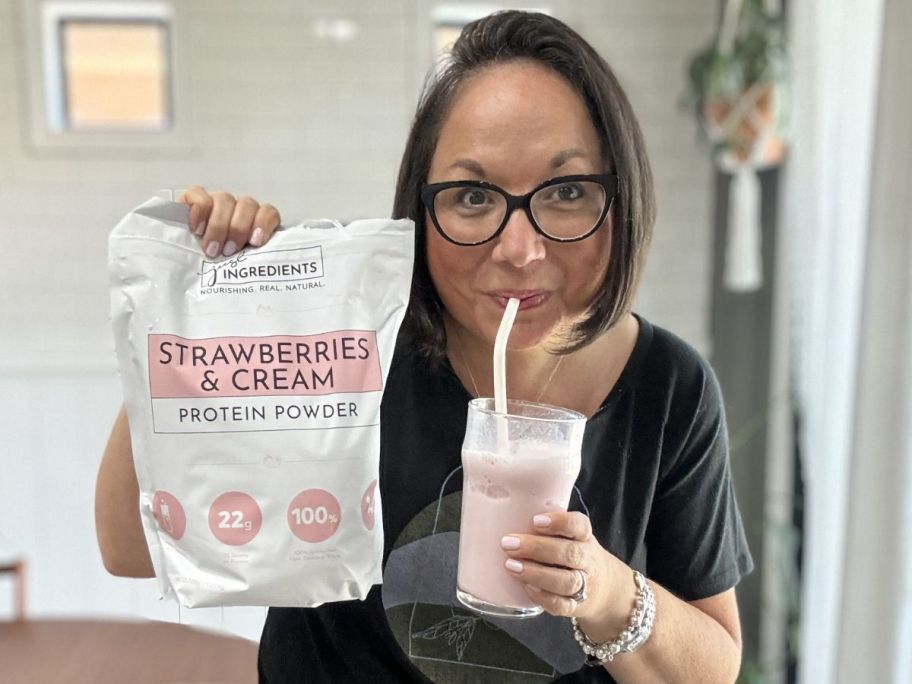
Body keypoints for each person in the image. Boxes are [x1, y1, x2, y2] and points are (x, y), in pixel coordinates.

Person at [96, 10, 753, 683]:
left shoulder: (670, 387)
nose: (520, 250)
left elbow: (711, 668)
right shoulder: (347, 347)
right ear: (421, 207)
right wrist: (200, 313)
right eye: (472, 196)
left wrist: (608, 594)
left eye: (566, 192)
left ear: (620, 200)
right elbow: (128, 545)